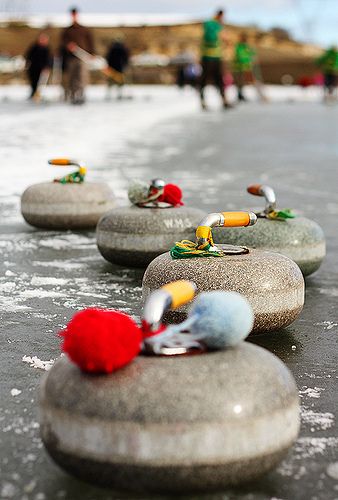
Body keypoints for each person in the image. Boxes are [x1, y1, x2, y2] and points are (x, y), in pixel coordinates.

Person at [60, 7, 95, 104]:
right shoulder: (67, 31)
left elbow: (90, 42)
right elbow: (62, 42)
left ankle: (81, 94)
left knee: (81, 76)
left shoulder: (84, 29)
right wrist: (68, 46)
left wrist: (92, 53)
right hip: (71, 58)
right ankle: (73, 94)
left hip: (82, 58)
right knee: (72, 77)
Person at [200, 8, 231, 110]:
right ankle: (204, 101)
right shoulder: (211, 25)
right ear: (219, 15)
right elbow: (211, 39)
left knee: (217, 79)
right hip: (209, 57)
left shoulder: (216, 25)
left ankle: (223, 100)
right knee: (206, 79)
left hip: (215, 56)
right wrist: (222, 36)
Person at [25, 33, 52, 100]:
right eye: (41, 39)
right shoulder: (33, 47)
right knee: (33, 81)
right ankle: (33, 93)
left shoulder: (47, 49)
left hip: (42, 69)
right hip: (33, 68)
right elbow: (28, 56)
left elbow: (49, 59)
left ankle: (37, 94)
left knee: (40, 83)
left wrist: (47, 67)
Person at [233, 33, 256, 102]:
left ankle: (241, 95)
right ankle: (239, 95)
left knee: (242, 82)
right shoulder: (239, 47)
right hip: (238, 67)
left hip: (244, 68)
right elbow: (240, 56)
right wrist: (247, 59)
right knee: (239, 82)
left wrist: (252, 52)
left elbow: (250, 54)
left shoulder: (246, 47)